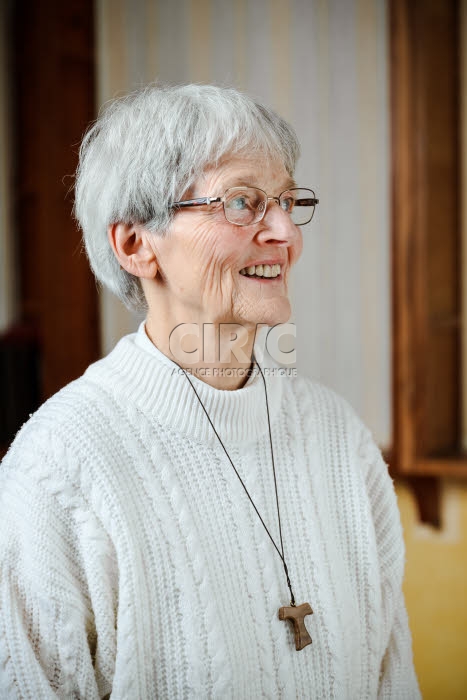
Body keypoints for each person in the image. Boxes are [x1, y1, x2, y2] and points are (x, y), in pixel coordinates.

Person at [0, 83, 420, 699]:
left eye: (287, 201)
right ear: (136, 244)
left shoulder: (340, 438)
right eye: (243, 203)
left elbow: (393, 680)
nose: (284, 233)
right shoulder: (57, 469)